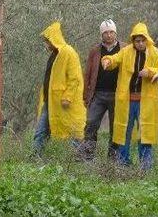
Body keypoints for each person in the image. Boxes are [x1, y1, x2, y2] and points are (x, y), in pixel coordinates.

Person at [101, 22, 158, 170]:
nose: (140, 43)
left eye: (143, 40)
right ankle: (123, 163)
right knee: (124, 132)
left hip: (146, 101)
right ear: (133, 41)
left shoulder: (154, 52)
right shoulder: (126, 51)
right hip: (127, 101)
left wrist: (150, 71)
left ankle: (145, 166)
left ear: (147, 39)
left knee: (145, 133)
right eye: (137, 41)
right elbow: (115, 59)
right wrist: (107, 60)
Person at [34, 22, 86, 157]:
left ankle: (74, 159)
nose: (46, 44)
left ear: (53, 39)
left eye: (47, 40)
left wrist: (67, 97)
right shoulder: (54, 54)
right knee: (41, 130)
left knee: (70, 130)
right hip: (50, 101)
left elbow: (74, 78)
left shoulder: (68, 52)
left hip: (62, 102)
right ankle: (35, 156)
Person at [80, 19, 123, 160]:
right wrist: (86, 95)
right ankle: (88, 156)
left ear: (115, 33)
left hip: (117, 94)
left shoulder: (125, 48)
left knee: (115, 128)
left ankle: (113, 159)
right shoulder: (95, 51)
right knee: (91, 123)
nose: (109, 35)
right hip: (98, 94)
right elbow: (87, 74)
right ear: (101, 35)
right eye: (106, 33)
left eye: (111, 32)